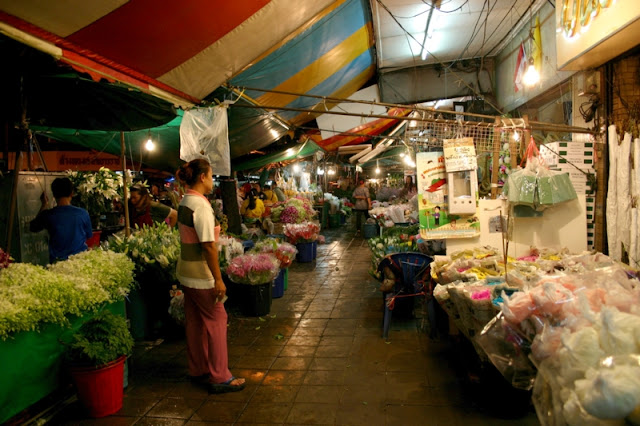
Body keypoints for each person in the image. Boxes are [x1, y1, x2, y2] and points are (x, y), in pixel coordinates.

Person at [175, 158, 245, 394]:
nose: (213, 179)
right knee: (217, 321)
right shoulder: (201, 206)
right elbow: (208, 246)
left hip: (185, 272)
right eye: (211, 175)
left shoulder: (185, 200)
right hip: (201, 275)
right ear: (202, 177)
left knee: (195, 322)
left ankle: (198, 369)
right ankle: (220, 376)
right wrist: (218, 279)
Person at [30, 177, 93, 263]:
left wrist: (44, 204)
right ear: (72, 193)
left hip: (58, 264)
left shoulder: (48, 215)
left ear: (54, 194)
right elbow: (89, 236)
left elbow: (33, 227)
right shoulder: (83, 214)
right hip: (80, 261)